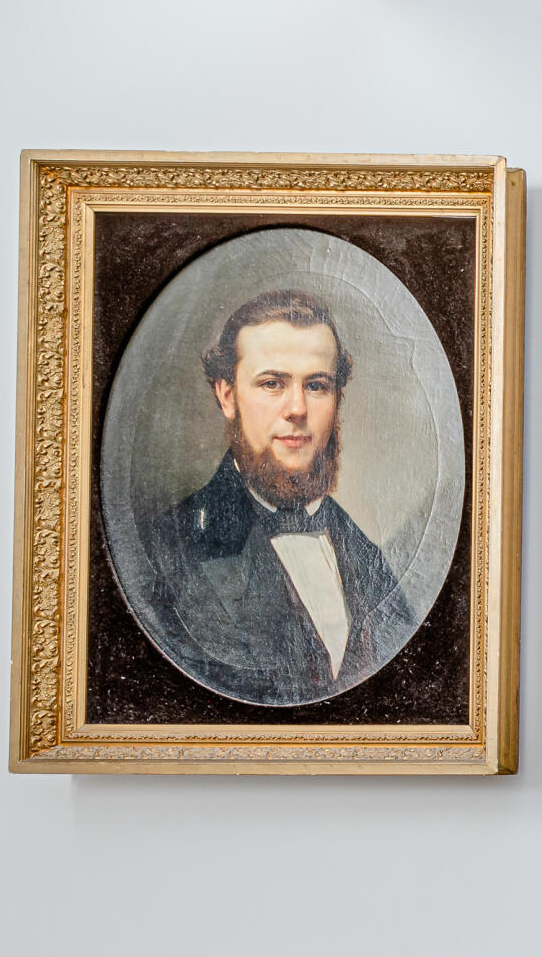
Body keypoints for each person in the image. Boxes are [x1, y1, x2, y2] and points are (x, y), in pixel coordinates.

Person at [128, 290, 417, 705]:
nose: (296, 408)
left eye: (316, 385)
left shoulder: (367, 554)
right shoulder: (166, 551)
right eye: (271, 384)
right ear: (227, 395)